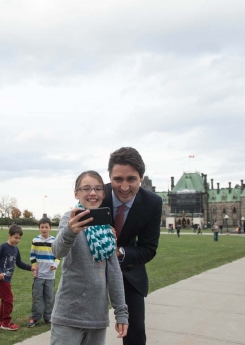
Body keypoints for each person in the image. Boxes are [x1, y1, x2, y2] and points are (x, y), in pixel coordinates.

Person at [51, 170, 128, 344]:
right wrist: (70, 231)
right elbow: (57, 251)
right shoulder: (69, 220)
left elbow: (114, 273)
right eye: (86, 188)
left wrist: (121, 312)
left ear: (103, 194)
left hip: (97, 317)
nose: (92, 193)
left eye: (98, 189)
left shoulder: (107, 228)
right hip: (68, 315)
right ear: (76, 193)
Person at [100, 147, 162, 345]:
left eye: (131, 179)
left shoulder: (152, 202)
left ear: (141, 178)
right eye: (118, 179)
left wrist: (118, 253)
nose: (124, 187)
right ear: (109, 178)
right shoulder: (97, 195)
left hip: (128, 269)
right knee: (83, 327)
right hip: (94, 269)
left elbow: (148, 249)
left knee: (135, 332)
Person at [0, 225, 37, 331]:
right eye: (15, 238)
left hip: (7, 279)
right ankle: (6, 323)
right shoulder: (3, 247)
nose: (17, 240)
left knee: (5, 300)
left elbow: (19, 263)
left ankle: (1, 322)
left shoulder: (15, 249)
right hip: (1, 278)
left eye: (19, 238)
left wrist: (31, 268)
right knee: (8, 299)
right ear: (9, 235)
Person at [27, 217, 60, 328]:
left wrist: (55, 264)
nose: (44, 229)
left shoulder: (54, 241)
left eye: (46, 227)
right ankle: (34, 317)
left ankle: (48, 317)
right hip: (39, 275)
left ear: (50, 228)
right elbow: (32, 256)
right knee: (37, 296)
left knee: (49, 297)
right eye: (42, 227)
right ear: (39, 228)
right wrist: (34, 267)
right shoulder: (35, 240)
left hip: (50, 276)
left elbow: (58, 255)